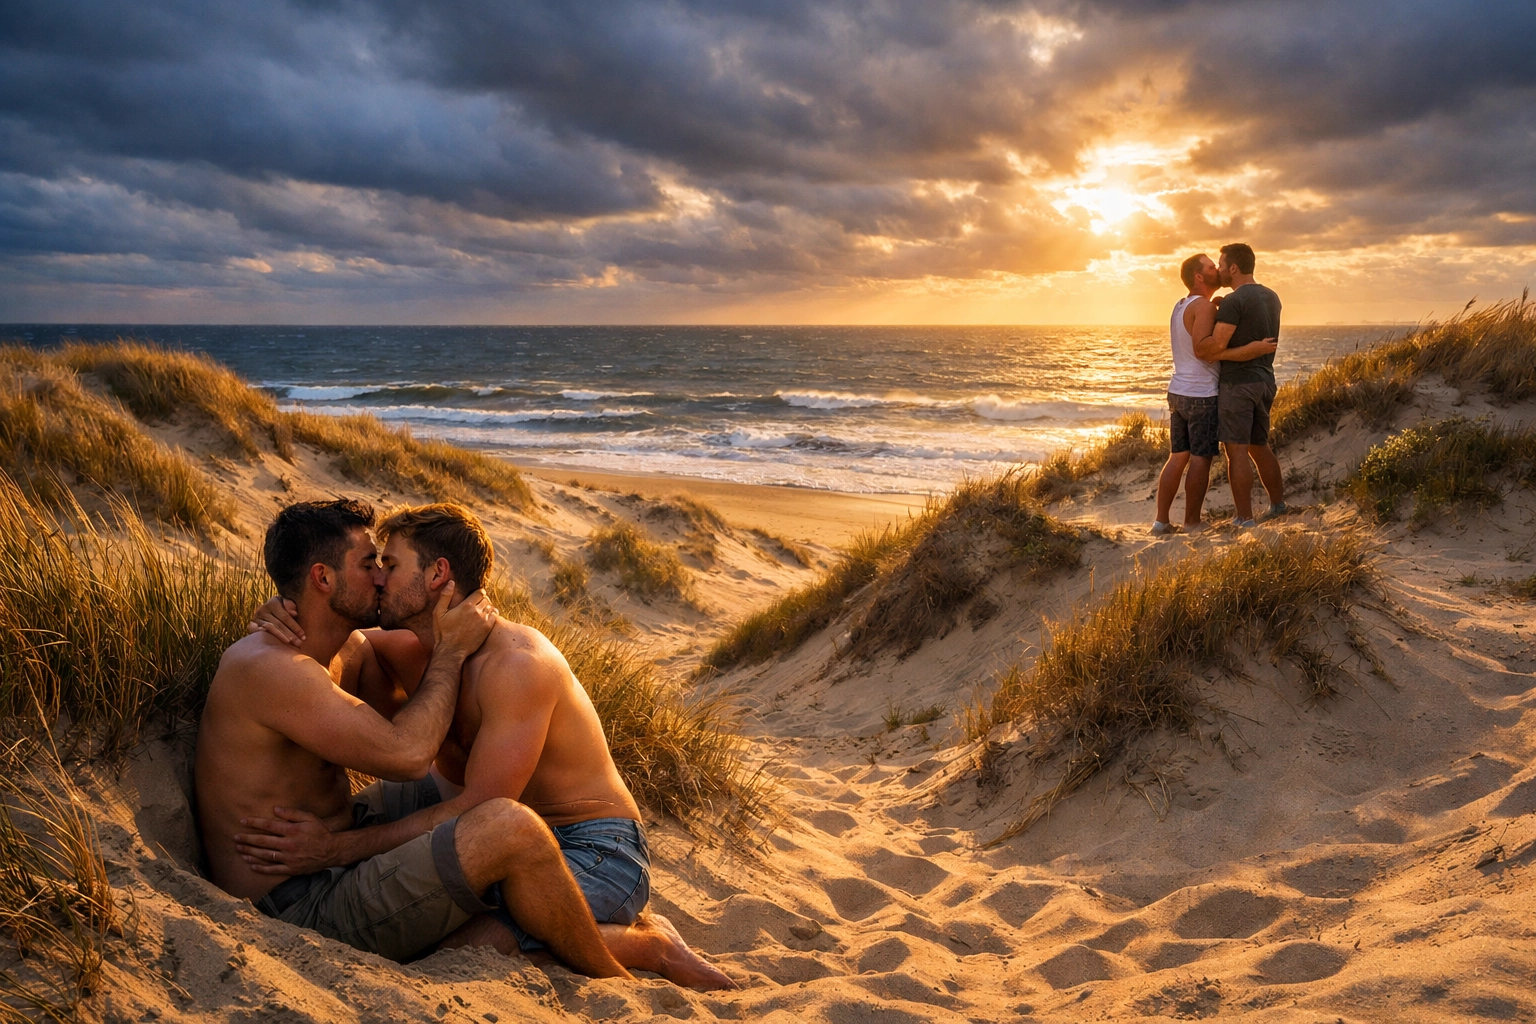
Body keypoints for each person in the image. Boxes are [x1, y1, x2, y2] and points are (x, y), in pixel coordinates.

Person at [236, 503, 736, 991]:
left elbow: (485, 809)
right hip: (469, 811)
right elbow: (335, 644)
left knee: (469, 944)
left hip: (592, 848)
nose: (380, 578)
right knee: (408, 884)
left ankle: (651, 948)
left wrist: (336, 849)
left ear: (437, 574)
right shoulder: (410, 650)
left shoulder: (517, 665)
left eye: (390, 565)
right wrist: (285, 610)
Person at [1152, 253, 1278, 535]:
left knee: (1177, 457)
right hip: (1202, 395)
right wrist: (1252, 350)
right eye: (1211, 267)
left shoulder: (1180, 305)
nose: (1216, 271)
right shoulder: (1205, 307)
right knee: (1200, 458)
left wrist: (1215, 308)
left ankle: (1160, 521)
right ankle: (1192, 522)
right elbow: (1206, 351)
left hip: (1178, 391)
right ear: (1199, 276)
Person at [1197, 242, 1288, 527]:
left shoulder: (1235, 301)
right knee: (1259, 446)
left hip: (1238, 384)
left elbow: (1214, 349)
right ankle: (1278, 506)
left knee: (1236, 450)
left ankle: (1243, 518)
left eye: (1222, 265)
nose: (1219, 271)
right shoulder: (1271, 297)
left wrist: (1222, 350)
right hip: (1265, 381)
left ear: (1234, 268)